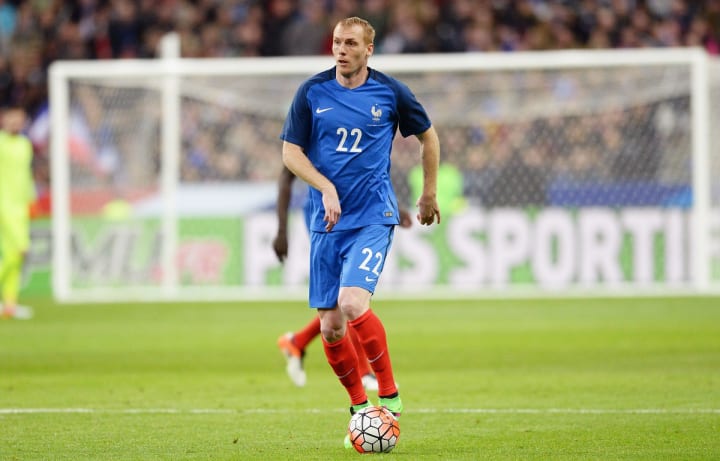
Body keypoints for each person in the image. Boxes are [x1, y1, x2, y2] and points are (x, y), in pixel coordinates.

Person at [279, 16, 441, 446]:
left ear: (369, 49)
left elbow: (428, 137)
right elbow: (290, 152)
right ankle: (359, 407)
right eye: (337, 42)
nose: (341, 50)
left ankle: (389, 395)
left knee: (352, 302)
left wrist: (428, 193)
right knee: (331, 327)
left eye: (351, 43)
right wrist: (325, 187)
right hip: (326, 222)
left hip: (371, 215)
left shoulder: (390, 92)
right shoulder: (312, 92)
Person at [273, 165, 412, 389]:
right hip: (326, 215)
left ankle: (297, 342)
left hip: (360, 211)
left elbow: (369, 169)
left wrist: (390, 204)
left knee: (351, 296)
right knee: (348, 295)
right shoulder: (309, 141)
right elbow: (286, 175)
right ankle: (363, 372)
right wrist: (282, 231)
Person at [0, 106, 36, 320]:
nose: (15, 123)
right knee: (22, 248)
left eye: (19, 119)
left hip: (20, 206)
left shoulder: (25, 144)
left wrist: (31, 199)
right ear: (4, 120)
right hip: (4, 205)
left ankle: (9, 306)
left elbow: (26, 175)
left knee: (13, 256)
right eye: (11, 119)